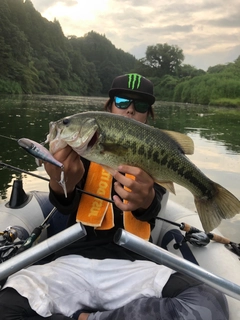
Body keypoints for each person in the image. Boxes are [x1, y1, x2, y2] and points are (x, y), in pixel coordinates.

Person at [0, 73, 229, 320]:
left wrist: (145, 198)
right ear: (108, 107)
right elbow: (64, 204)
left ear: (148, 115)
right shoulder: (78, 153)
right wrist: (59, 181)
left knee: (209, 303)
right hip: (71, 265)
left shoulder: (153, 151)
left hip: (133, 267)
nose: (130, 110)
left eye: (140, 106)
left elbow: (152, 207)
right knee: (7, 306)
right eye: (121, 101)